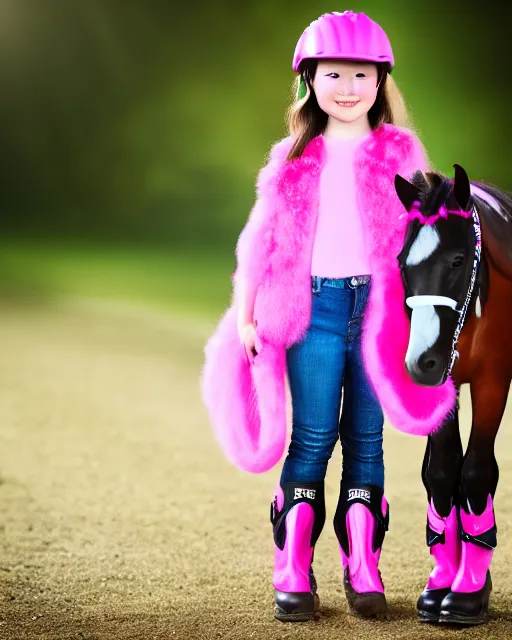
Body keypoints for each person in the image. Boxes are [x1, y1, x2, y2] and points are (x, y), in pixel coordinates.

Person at [202, 9, 452, 623]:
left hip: (379, 313)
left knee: (368, 440)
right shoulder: (294, 157)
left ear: (380, 82)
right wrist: (245, 316)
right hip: (310, 309)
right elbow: (257, 241)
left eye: (361, 75)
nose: (347, 87)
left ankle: (362, 563)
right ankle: (293, 563)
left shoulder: (400, 152)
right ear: (310, 81)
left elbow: (425, 234)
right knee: (313, 437)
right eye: (333, 74)